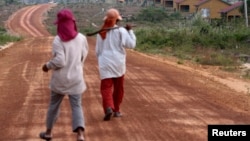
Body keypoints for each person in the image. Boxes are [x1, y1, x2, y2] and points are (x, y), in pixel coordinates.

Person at [39, 8, 89, 141]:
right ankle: (80, 134)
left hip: (60, 80)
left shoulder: (58, 40)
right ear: (73, 22)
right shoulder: (82, 38)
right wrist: (77, 66)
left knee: (54, 105)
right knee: (77, 106)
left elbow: (60, 61)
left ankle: (49, 132)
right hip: (76, 78)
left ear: (60, 24)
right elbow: (84, 56)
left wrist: (47, 66)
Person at [95, 8, 136, 121]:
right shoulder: (121, 31)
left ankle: (108, 107)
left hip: (105, 62)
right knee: (118, 88)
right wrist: (130, 31)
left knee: (106, 88)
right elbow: (131, 45)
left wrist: (101, 61)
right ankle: (116, 110)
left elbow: (98, 51)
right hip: (118, 62)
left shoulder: (101, 32)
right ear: (117, 20)